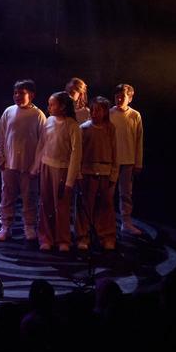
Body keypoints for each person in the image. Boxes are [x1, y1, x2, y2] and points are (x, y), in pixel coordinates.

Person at [0, 79, 46, 242]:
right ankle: (6, 226)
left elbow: (43, 143)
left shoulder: (38, 115)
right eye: (15, 93)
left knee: (29, 197)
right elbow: (0, 136)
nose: (17, 96)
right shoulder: (8, 112)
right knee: (7, 196)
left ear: (31, 95)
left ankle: (29, 226)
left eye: (21, 93)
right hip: (9, 164)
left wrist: (36, 166)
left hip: (28, 166)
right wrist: (0, 158)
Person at [33, 91, 82, 252]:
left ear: (62, 106)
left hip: (62, 170)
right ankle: (46, 237)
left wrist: (70, 180)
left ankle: (63, 239)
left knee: (61, 205)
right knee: (45, 203)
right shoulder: (48, 121)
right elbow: (42, 144)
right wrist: (37, 165)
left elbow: (76, 154)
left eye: (52, 104)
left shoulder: (72, 126)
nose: (49, 107)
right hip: (47, 167)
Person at [76, 96, 119, 251]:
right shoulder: (84, 128)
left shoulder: (110, 129)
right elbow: (79, 154)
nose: (94, 113)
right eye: (92, 110)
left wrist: (114, 174)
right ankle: (83, 236)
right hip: (87, 172)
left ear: (105, 112)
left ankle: (107, 236)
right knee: (85, 206)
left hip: (105, 172)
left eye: (98, 110)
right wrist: (79, 174)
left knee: (106, 206)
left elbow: (115, 153)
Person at [110, 83, 144, 236]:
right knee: (107, 193)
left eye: (122, 96)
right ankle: (106, 223)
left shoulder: (135, 115)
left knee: (126, 194)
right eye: (117, 96)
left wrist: (138, 162)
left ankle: (126, 223)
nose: (119, 99)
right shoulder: (109, 113)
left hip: (128, 161)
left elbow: (139, 140)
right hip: (111, 161)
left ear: (129, 98)